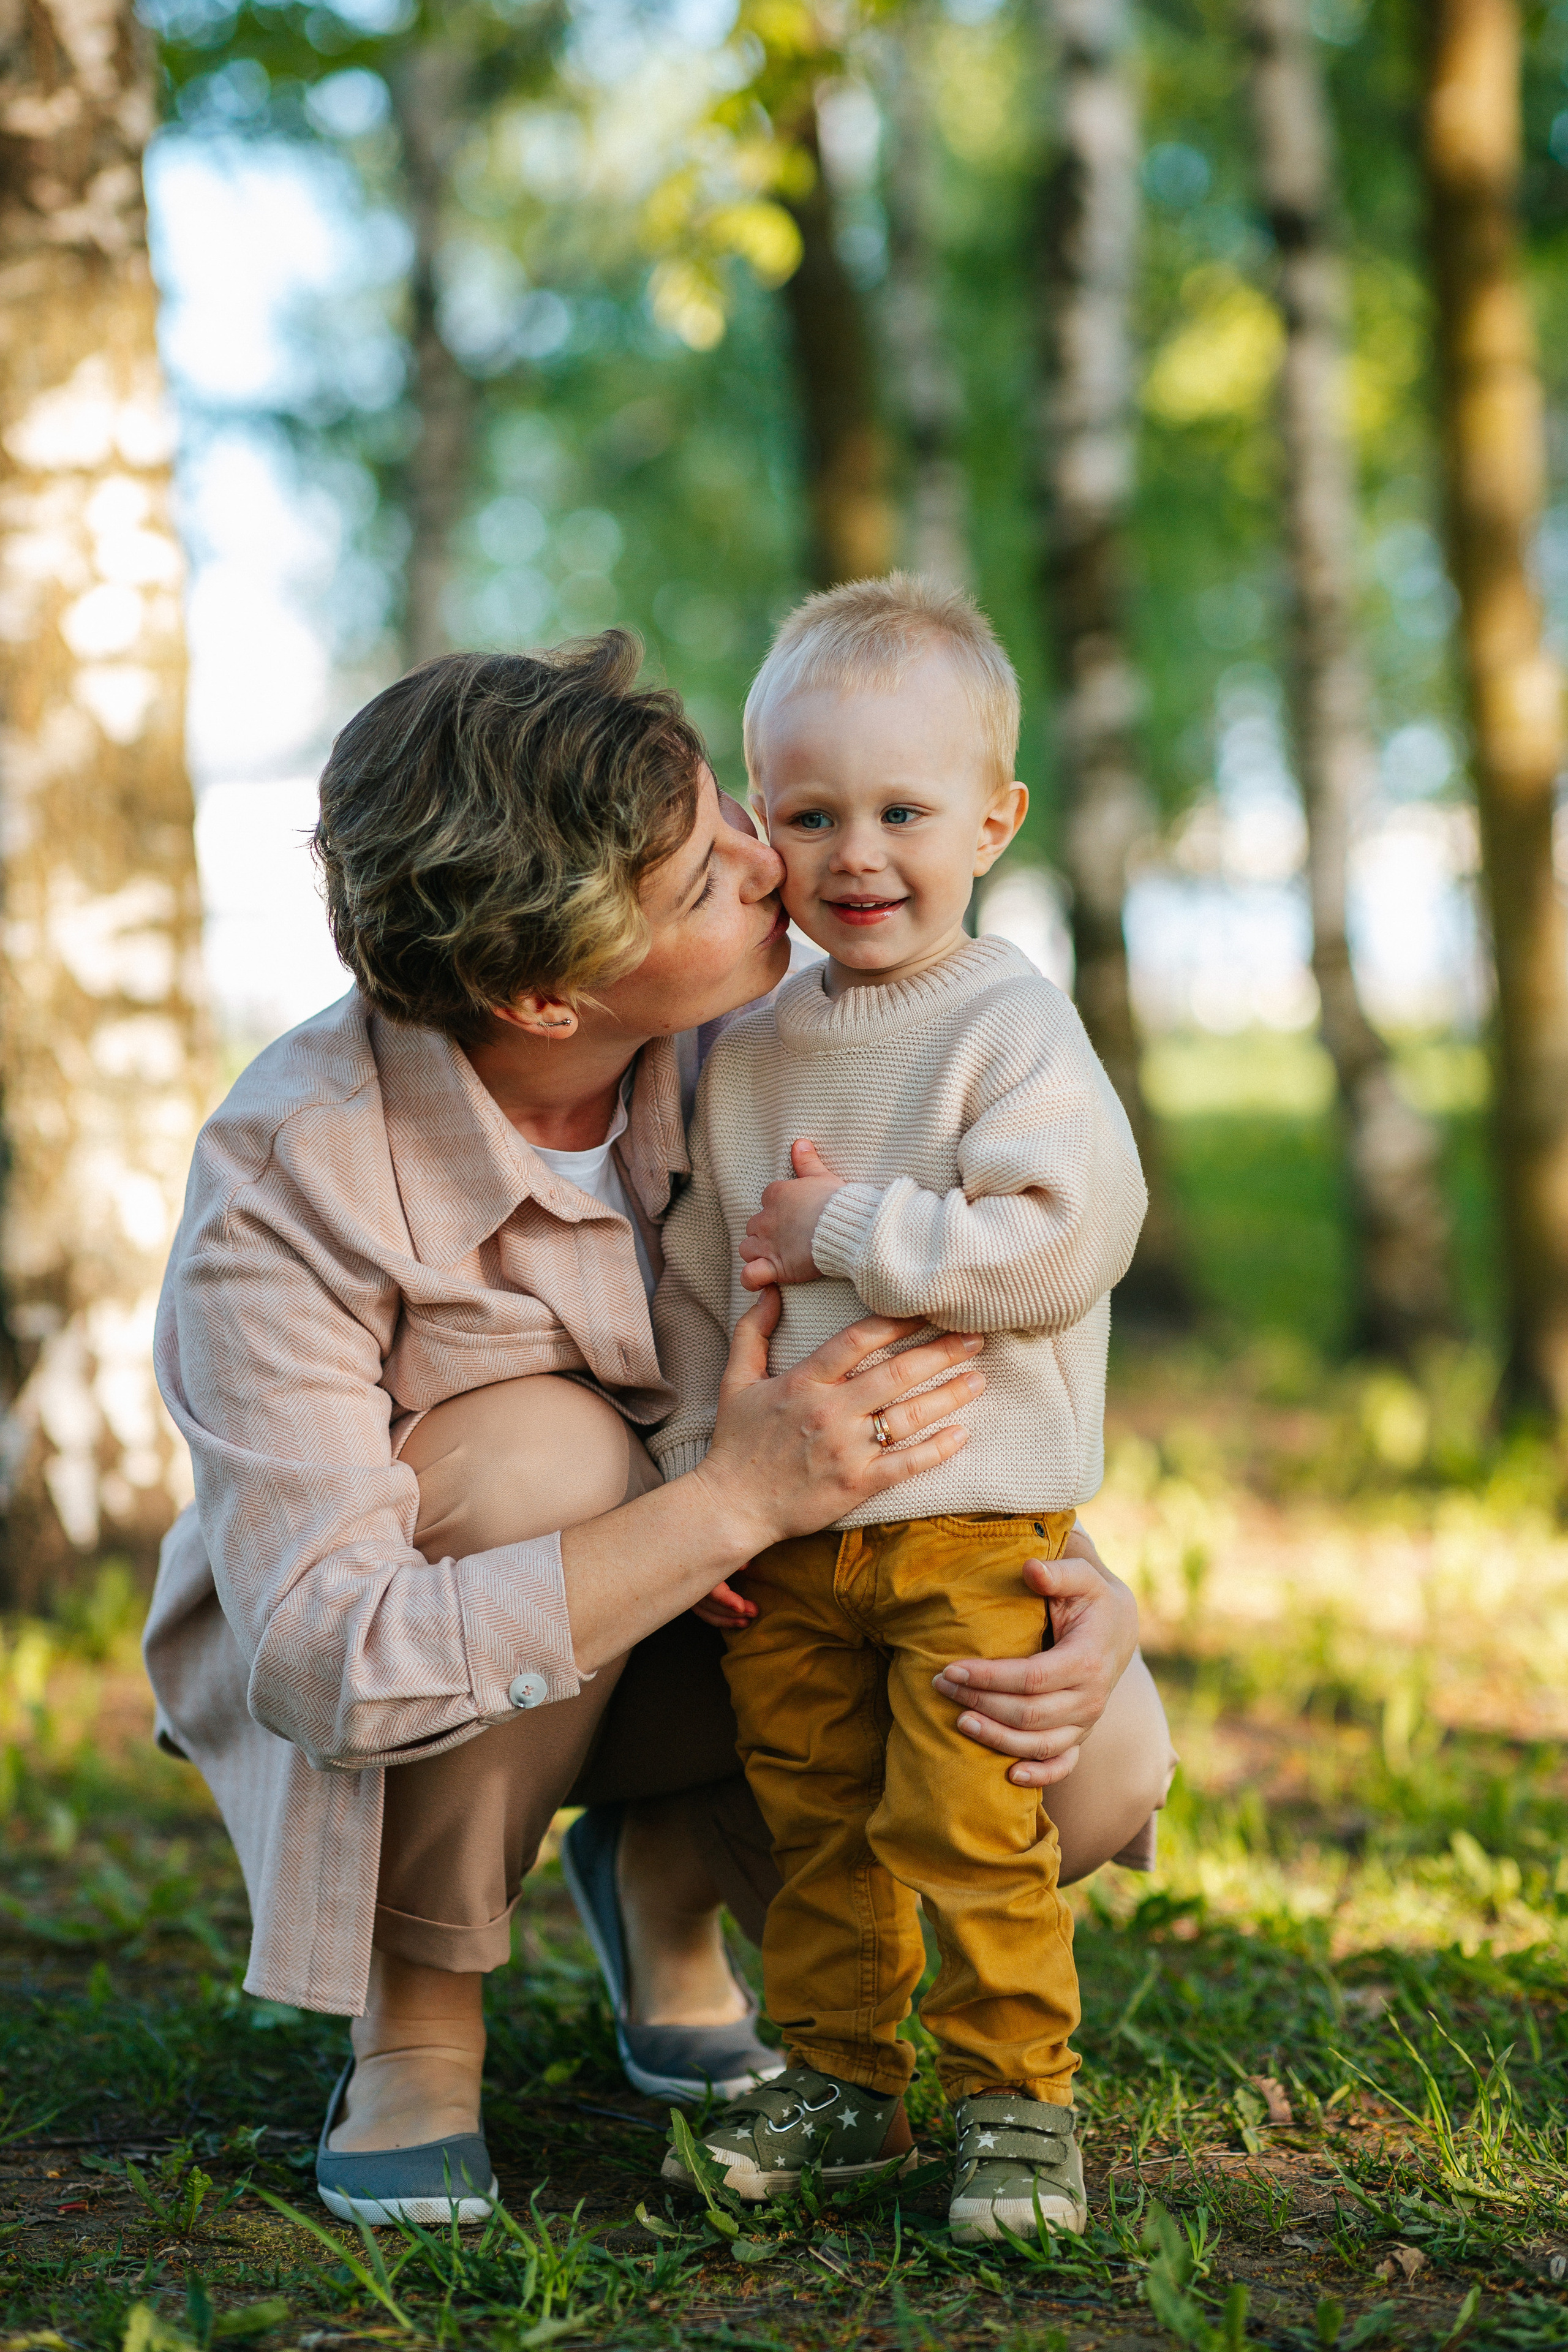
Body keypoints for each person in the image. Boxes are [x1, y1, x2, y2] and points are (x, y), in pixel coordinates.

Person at [141, 631, 1176, 2231]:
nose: (778, 869)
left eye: (727, 821)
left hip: (759, 1616)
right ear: (540, 991)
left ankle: (662, 1877)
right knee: (543, 1452)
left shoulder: (770, 1043)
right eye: (707, 877)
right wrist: (727, 1502)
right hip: (440, 1661)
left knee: (1087, 1768)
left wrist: (1071, 1568)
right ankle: (418, 2021)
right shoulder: (295, 1171)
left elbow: (927, 1322)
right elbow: (327, 1653)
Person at [652, 578, 1147, 2244]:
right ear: (758, 824)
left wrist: (857, 1229)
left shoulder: (1008, 1022)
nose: (857, 854)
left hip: (962, 1518)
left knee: (969, 1820)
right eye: (811, 813)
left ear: (996, 820)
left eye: (903, 812)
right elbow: (712, 1292)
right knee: (816, 1820)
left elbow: (1064, 1246)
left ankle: (1016, 2100)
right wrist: (692, 1483)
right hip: (791, 1530)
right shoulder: (746, 1050)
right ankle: (842, 2077)